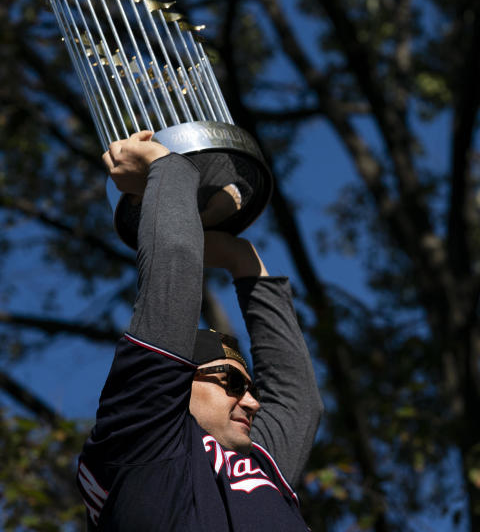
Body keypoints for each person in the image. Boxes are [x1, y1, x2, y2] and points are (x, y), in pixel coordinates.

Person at [76, 131, 323, 530]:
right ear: (176, 382)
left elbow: (299, 400)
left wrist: (242, 259)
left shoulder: (256, 462)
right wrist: (164, 165)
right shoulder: (140, 437)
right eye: (230, 381)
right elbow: (170, 285)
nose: (253, 403)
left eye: (250, 388)